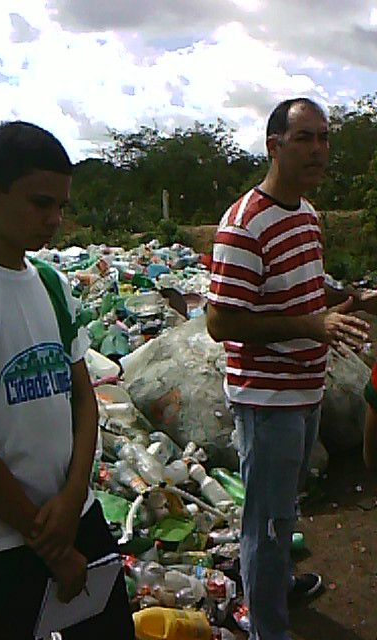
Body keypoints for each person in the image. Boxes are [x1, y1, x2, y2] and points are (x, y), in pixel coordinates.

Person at [0, 121, 135, 640]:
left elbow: (83, 397)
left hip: (77, 517)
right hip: (2, 543)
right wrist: (50, 545)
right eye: (41, 204)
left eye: (61, 205)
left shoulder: (53, 283)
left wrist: (75, 495)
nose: (55, 220)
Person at [206, 98, 375, 640]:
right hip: (266, 399)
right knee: (267, 523)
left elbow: (305, 289)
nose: (319, 150)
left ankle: (275, 588)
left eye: (324, 138)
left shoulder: (305, 214)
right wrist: (310, 327)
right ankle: (267, 629)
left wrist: (352, 297)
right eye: (304, 139)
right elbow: (219, 321)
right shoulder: (243, 226)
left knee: (284, 511)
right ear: (273, 146)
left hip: (303, 391)